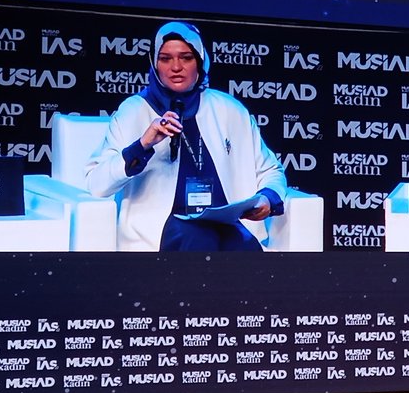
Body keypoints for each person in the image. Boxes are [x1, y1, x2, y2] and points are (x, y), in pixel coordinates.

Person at [83, 21, 288, 252]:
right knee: (199, 241)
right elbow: (97, 184)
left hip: (227, 225)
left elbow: (271, 171)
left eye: (186, 58)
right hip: (162, 228)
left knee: (243, 248)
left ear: (200, 61)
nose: (176, 67)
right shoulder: (133, 111)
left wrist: (267, 198)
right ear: (154, 63)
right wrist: (143, 145)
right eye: (165, 59)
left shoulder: (230, 109)